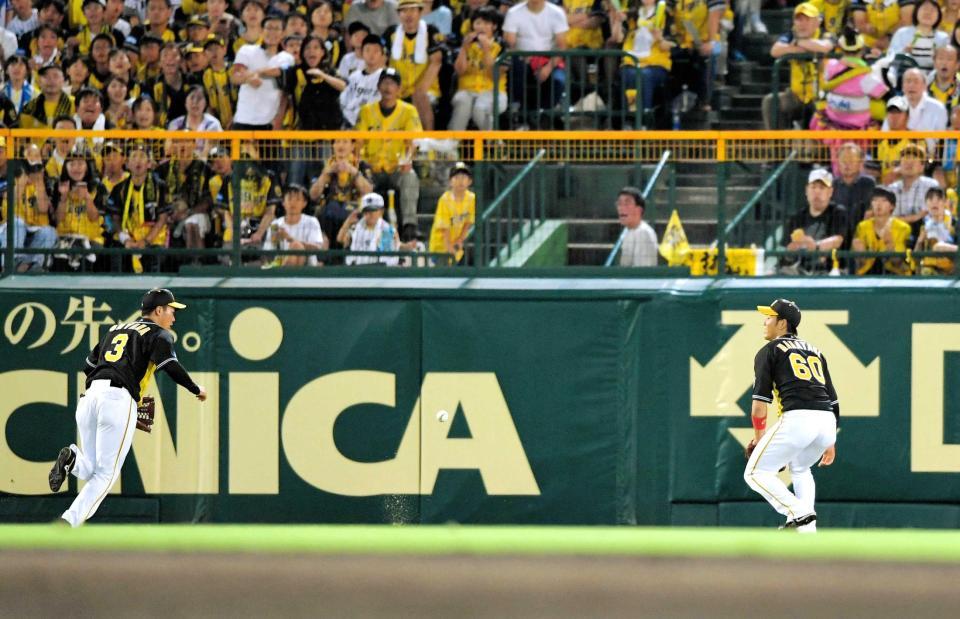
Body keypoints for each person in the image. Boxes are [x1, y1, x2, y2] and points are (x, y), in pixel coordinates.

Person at [48, 288, 207, 527]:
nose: (174, 317)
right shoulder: (158, 334)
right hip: (117, 400)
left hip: (90, 397)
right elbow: (170, 366)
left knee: (90, 469)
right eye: (171, 311)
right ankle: (68, 522)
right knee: (106, 475)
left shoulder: (115, 329)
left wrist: (104, 391)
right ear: (159, 310)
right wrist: (196, 389)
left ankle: (71, 458)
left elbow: (89, 365)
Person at [745, 299, 838, 533]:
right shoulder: (816, 351)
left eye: (769, 317)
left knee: (755, 473)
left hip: (799, 418)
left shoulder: (770, 350)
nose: (765, 322)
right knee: (800, 468)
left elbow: (759, 405)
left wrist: (759, 439)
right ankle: (807, 530)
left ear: (782, 323)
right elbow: (833, 399)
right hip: (826, 421)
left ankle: (798, 512)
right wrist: (830, 441)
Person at [355, 67, 423, 241]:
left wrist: (408, 160)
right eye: (384, 83)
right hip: (372, 168)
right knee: (357, 177)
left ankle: (409, 226)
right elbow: (358, 142)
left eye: (392, 84)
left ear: (399, 89)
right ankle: (358, 223)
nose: (388, 87)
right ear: (378, 87)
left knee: (410, 177)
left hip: (397, 168)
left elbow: (414, 140)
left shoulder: (408, 111)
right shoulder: (367, 111)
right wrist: (360, 163)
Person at [762, 3, 834, 130]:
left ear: (818, 22)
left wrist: (798, 43)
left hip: (822, 96)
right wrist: (805, 48)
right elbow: (775, 51)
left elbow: (824, 47)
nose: (802, 24)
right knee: (771, 101)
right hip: (797, 96)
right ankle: (778, 142)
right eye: (799, 20)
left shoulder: (826, 34)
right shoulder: (790, 35)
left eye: (807, 20)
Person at [503, 0, 569, 126]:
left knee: (559, 80)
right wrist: (523, 56)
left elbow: (562, 47)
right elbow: (510, 44)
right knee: (517, 68)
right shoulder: (513, 13)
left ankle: (546, 114)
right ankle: (516, 110)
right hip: (521, 59)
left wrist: (548, 68)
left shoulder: (557, 13)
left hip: (548, 59)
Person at [383, 0, 445, 130]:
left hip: (426, 88)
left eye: (413, 10)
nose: (409, 14)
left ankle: (428, 137)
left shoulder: (430, 31)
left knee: (420, 96)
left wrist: (421, 89)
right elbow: (382, 61)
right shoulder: (390, 33)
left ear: (420, 12)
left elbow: (436, 61)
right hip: (399, 88)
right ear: (399, 14)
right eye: (404, 10)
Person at [231, 12, 295, 130]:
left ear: (284, 33)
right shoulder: (246, 50)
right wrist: (248, 79)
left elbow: (280, 76)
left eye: (277, 29)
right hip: (243, 119)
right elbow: (235, 76)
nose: (272, 32)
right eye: (269, 28)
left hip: (269, 122)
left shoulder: (287, 58)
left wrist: (257, 72)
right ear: (261, 30)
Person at [781, 168, 849, 274]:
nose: (817, 192)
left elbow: (838, 240)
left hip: (831, 271)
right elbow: (785, 252)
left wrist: (815, 246)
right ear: (806, 190)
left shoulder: (838, 213)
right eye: (813, 187)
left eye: (822, 188)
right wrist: (790, 251)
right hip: (801, 271)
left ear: (830, 192)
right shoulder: (797, 218)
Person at [449, 5, 506, 130]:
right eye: (478, 23)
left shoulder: (501, 46)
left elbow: (494, 76)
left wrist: (486, 50)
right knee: (462, 100)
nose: (481, 27)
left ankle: (493, 140)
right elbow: (460, 71)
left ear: (494, 26)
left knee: (479, 108)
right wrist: (464, 48)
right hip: (467, 89)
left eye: (486, 23)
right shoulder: (466, 44)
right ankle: (453, 140)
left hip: (492, 91)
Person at [851, 185, 913, 274]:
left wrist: (890, 245)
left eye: (884, 201)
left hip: (895, 275)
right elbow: (859, 264)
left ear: (892, 206)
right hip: (867, 275)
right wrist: (861, 255)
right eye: (875, 200)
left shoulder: (903, 228)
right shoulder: (863, 226)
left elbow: (899, 263)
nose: (878, 204)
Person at [262, 184, 326, 267]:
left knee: (296, 246)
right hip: (281, 265)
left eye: (298, 199)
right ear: (283, 202)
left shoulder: (312, 222)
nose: (293, 203)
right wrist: (275, 242)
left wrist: (289, 238)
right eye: (289, 199)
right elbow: (268, 253)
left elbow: (317, 248)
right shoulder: (275, 225)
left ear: (304, 203)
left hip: (307, 266)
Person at [889, 141, 940, 240]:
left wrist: (913, 218)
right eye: (905, 160)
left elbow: (927, 214)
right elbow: (889, 217)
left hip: (923, 232)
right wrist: (915, 217)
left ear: (922, 166)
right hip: (896, 232)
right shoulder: (892, 188)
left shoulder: (931, 185)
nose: (909, 163)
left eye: (914, 160)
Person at [338, 191, 404, 265]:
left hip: (376, 269)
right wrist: (347, 222)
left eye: (373, 210)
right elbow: (340, 239)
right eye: (366, 211)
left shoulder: (387, 230)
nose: (369, 214)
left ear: (381, 211)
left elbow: (387, 260)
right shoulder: (356, 227)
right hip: (354, 268)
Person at [428, 161, 475, 264]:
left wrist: (460, 239)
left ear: (469, 181)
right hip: (439, 248)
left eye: (464, 177)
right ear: (450, 182)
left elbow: (468, 222)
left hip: (456, 248)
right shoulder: (445, 200)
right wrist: (449, 249)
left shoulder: (471, 198)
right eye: (456, 177)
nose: (460, 181)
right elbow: (445, 229)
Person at [340, 32, 388, 127]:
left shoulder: (387, 77)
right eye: (368, 50)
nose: (371, 54)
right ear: (362, 53)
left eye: (376, 51)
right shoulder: (354, 77)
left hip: (377, 125)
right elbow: (344, 100)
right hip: (352, 124)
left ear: (382, 55)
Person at [916, 186, 956, 274]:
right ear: (926, 203)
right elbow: (916, 257)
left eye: (939, 199)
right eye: (930, 199)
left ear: (945, 202)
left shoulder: (955, 224)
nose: (934, 202)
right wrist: (919, 241)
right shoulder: (923, 225)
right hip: (930, 268)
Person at [833, 142, 876, 223]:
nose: (847, 164)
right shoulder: (832, 185)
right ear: (838, 162)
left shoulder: (868, 183)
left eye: (851, 160)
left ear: (860, 163)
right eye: (843, 160)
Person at [616, 185, 657, 266]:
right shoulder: (629, 232)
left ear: (639, 210)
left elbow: (642, 271)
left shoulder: (643, 232)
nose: (621, 208)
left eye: (627, 204)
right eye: (619, 204)